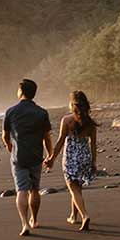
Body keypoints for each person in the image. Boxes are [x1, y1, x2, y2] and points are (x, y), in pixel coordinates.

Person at [2, 79, 53, 236]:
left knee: (21, 191)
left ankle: (24, 224)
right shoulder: (42, 112)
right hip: (36, 155)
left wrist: (10, 148)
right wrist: (49, 155)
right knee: (35, 190)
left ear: (21, 92)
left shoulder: (11, 111)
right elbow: (47, 137)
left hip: (19, 156)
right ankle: (34, 220)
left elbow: (5, 136)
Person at [44, 90, 98, 231]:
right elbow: (93, 144)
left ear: (72, 105)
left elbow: (60, 141)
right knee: (77, 187)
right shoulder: (90, 123)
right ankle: (73, 216)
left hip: (71, 157)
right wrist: (93, 162)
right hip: (85, 156)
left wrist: (51, 159)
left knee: (73, 188)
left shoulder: (67, 120)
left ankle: (84, 215)